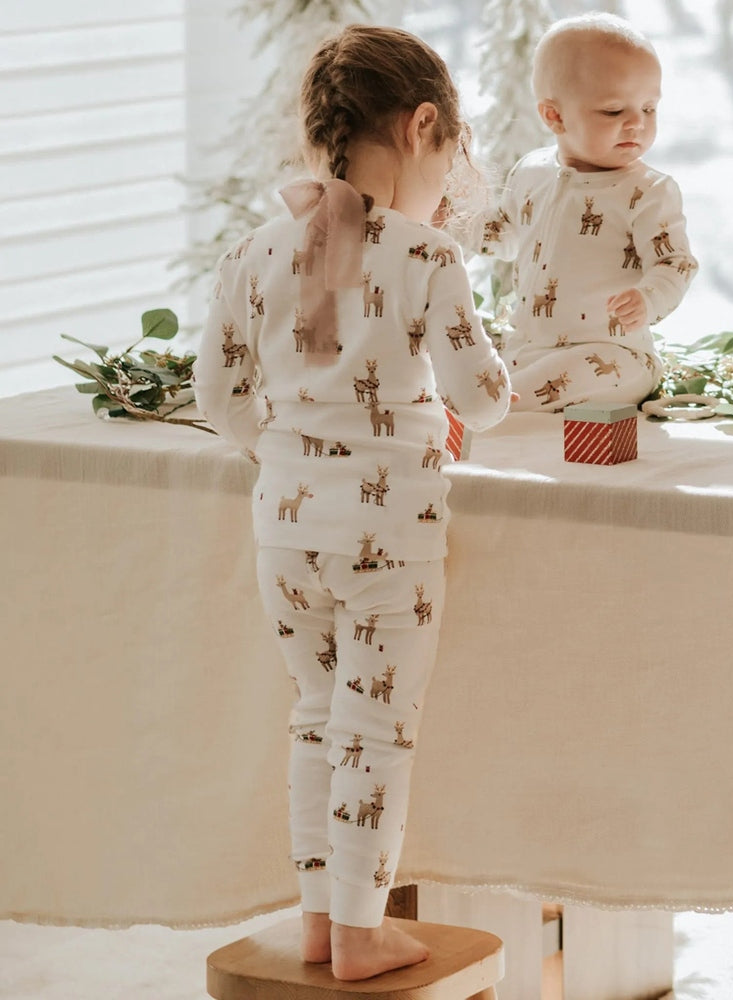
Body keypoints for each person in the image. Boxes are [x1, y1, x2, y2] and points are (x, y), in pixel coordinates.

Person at [193, 25, 511, 981]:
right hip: (389, 537)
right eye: (450, 159)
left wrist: (286, 453)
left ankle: (323, 918)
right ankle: (365, 931)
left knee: (314, 715)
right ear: (422, 128)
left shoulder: (253, 250)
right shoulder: (429, 256)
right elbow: (481, 397)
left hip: (284, 530)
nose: (449, 188)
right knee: (376, 727)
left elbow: (217, 396)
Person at [475, 12, 698, 412]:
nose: (636, 123)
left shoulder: (648, 191)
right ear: (554, 116)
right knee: (480, 373)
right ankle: (484, 410)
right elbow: (505, 236)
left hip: (613, 354)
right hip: (527, 346)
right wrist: (453, 221)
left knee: (543, 386)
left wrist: (647, 300)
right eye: (614, 111)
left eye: (649, 108)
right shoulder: (531, 170)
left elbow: (675, 263)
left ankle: (495, 414)